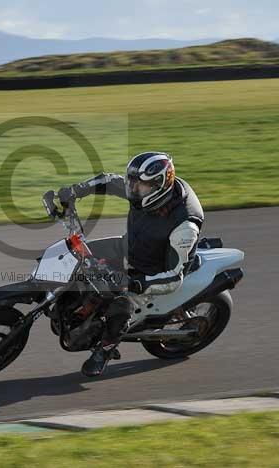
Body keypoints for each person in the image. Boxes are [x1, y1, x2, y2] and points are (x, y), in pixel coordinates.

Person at [54, 151, 204, 377]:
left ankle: (104, 350)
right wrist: (76, 191)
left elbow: (174, 277)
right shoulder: (146, 191)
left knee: (120, 306)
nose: (132, 190)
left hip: (153, 271)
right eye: (132, 182)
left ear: (158, 186)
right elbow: (109, 180)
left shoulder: (184, 225)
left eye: (138, 186)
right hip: (131, 246)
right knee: (75, 255)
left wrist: (134, 283)